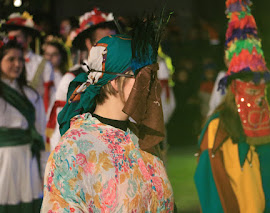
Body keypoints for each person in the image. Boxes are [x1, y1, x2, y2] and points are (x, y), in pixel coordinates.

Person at [41, 16, 174, 212]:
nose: (150, 85)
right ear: (113, 80)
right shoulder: (74, 150)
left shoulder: (140, 137)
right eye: (141, 76)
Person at [194, 1, 270, 212]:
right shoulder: (217, 130)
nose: (255, 85)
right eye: (247, 78)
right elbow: (211, 186)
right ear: (233, 86)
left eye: (259, 79)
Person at [46, 8, 118, 151]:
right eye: (103, 42)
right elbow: (62, 128)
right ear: (88, 43)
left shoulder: (121, 77)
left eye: (114, 42)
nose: (110, 48)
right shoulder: (72, 79)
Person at [0, 37, 47, 212]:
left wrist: (44, 172)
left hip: (28, 161)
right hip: (3, 162)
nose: (17, 64)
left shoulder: (31, 95)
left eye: (20, 59)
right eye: (10, 59)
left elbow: (40, 135)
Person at [1, 11, 55, 113]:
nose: (13, 41)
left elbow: (50, 97)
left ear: (29, 38)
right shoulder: (3, 62)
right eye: (10, 37)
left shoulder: (43, 64)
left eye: (17, 37)